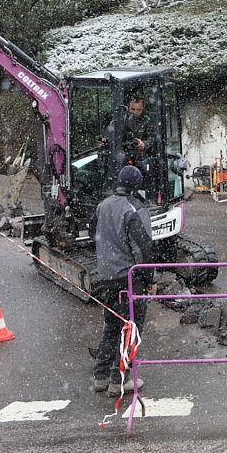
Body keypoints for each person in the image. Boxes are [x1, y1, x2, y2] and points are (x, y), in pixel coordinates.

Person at [90, 164, 156, 396]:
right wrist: (149, 279)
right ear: (137, 185)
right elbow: (143, 247)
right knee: (131, 328)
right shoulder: (134, 208)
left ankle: (101, 376)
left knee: (111, 326)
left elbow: (92, 234)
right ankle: (120, 381)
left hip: (106, 277)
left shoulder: (102, 205)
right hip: (128, 278)